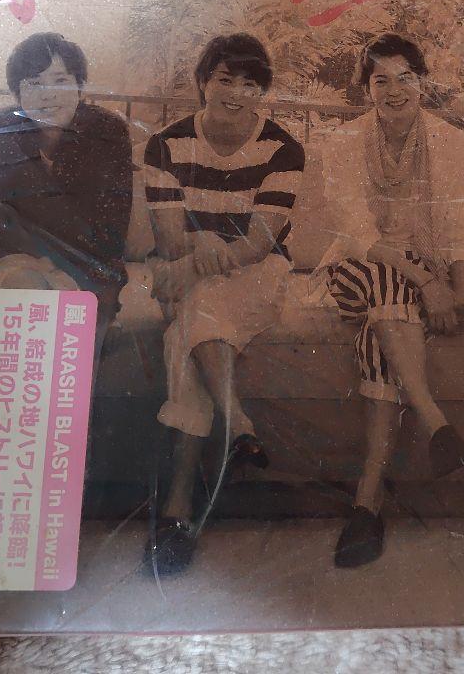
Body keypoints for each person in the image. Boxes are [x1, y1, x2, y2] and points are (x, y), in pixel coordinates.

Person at [143, 33, 305, 576]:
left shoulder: (283, 149)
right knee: (198, 318)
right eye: (224, 79)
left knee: (191, 320)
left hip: (257, 275)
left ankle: (176, 511)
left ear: (262, 93)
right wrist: (199, 243)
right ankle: (238, 428)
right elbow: (169, 238)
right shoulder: (166, 145)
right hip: (193, 272)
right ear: (202, 82)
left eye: (249, 84)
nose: (235, 93)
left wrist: (197, 258)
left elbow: (260, 243)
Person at [317, 33, 464, 569]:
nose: (394, 90)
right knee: (387, 284)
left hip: (414, 282)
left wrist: (459, 293)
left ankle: (366, 506)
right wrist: (425, 282)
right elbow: (357, 235)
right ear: (366, 90)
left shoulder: (452, 143)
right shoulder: (343, 142)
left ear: (422, 83)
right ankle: (433, 417)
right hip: (354, 272)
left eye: (405, 77)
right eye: (380, 80)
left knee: (383, 326)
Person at [0, 32, 133, 326]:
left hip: (87, 272)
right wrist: (35, 264)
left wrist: (57, 267)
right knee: (24, 288)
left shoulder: (107, 131)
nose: (47, 95)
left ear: (79, 86)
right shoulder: (1, 128)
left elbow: (111, 227)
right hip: (10, 266)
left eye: (60, 81)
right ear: (17, 93)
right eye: (34, 84)